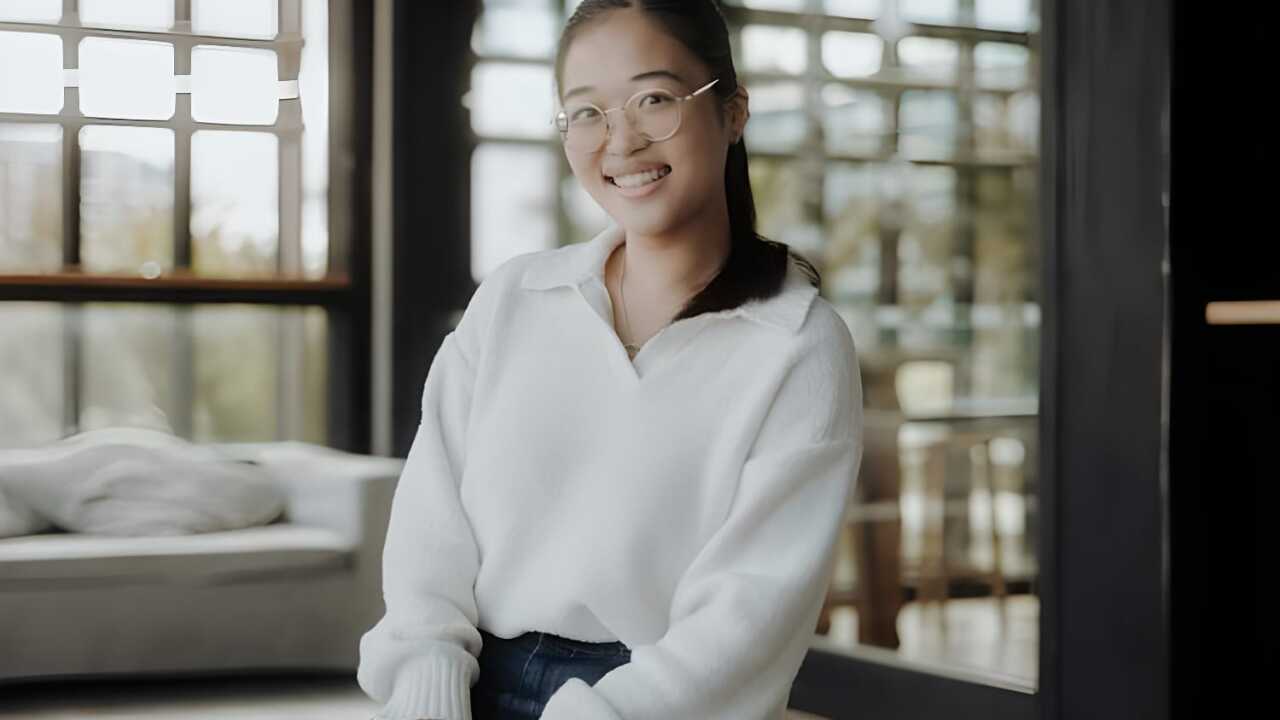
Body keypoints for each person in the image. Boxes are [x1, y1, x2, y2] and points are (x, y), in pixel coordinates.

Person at [357, 1, 864, 718]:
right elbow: (429, 524)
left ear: (733, 111)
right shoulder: (514, 299)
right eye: (586, 112)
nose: (619, 141)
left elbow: (752, 611)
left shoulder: (797, 344)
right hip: (465, 683)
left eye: (653, 99)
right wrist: (427, 686)